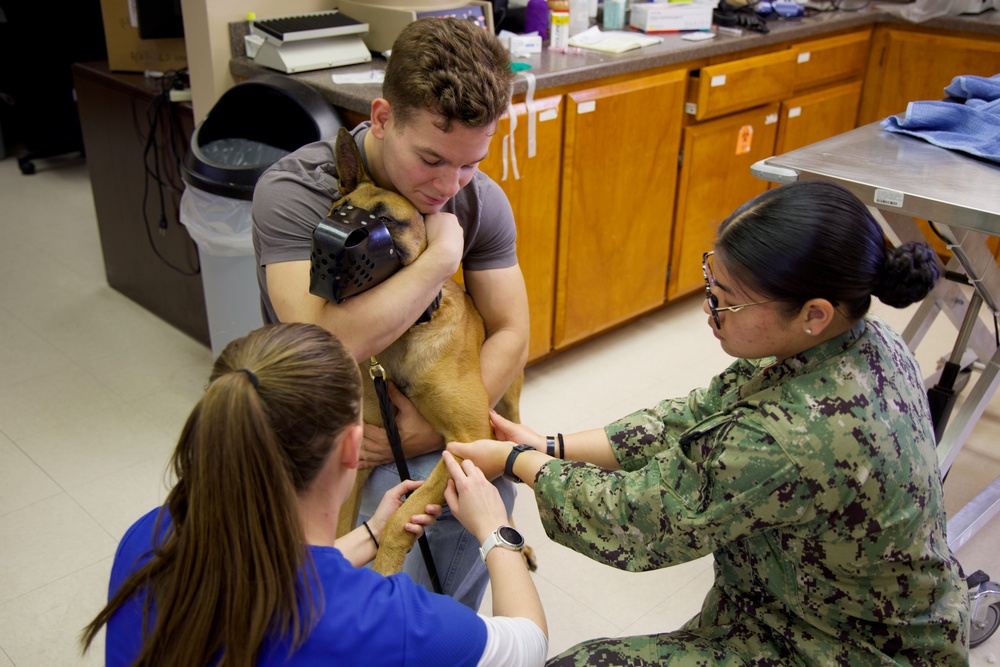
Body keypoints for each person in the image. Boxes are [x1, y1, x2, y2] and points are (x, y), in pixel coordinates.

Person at [447, 181, 971, 665]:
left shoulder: (784, 440)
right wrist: (550, 445)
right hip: (824, 609)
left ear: (813, 312)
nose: (709, 308)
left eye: (726, 301)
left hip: (839, 647)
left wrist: (518, 463)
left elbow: (635, 520)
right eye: (711, 282)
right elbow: (693, 415)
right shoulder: (868, 341)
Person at [251, 17, 529, 609]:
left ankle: (429, 636)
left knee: (471, 498)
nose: (450, 185)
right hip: (316, 403)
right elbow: (322, 342)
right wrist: (439, 258)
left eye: (470, 162)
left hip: (426, 404)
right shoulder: (295, 192)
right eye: (432, 158)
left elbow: (511, 330)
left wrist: (431, 429)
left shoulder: (477, 198)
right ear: (381, 118)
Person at [80, 323, 547, 667]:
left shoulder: (148, 535)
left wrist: (370, 532)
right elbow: (528, 644)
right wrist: (495, 531)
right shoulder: (385, 621)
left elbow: (279, 576)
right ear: (352, 446)